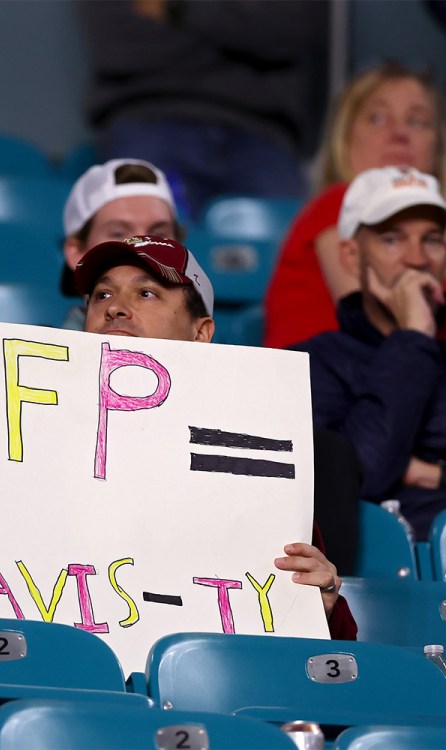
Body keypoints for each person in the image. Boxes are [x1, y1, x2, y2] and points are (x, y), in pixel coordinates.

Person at [75, 233, 357, 639]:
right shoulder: (16, 437)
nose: (116, 308)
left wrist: (323, 603)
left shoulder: (260, 454)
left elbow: (334, 651)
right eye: (102, 295)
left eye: (147, 294)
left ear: (201, 333)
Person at [294, 165, 446, 542]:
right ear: (350, 256)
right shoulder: (311, 363)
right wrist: (412, 337)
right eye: (392, 239)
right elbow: (359, 476)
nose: (416, 259)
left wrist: (432, 474)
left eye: (433, 240)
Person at [76, 0, 328, 220]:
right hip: (148, 120)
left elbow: (289, 28)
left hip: (265, 137)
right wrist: (245, 26)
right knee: (143, 252)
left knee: (292, 250)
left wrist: (174, 8)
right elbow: (120, 45)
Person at [264, 62, 446, 349]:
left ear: (437, 147)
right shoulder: (337, 203)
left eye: (417, 121)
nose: (399, 133)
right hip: (319, 386)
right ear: (345, 139)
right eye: (377, 118)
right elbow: (383, 323)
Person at [62, 157, 184, 329]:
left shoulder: (208, 352)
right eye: (119, 233)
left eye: (159, 234)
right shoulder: (35, 356)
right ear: (77, 253)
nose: (143, 248)